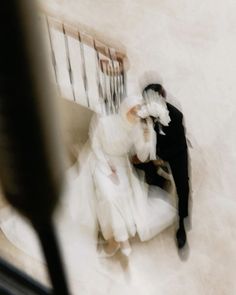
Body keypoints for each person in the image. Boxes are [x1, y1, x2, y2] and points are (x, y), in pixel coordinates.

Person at [88, 95, 176, 257]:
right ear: (125, 110)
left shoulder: (136, 129)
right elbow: (96, 145)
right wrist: (108, 169)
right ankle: (118, 239)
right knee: (108, 195)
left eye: (137, 111)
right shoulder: (105, 122)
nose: (135, 115)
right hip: (103, 161)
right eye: (132, 110)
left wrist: (147, 138)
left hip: (122, 164)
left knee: (123, 194)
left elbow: (143, 156)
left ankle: (119, 239)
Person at [133, 83, 190, 249]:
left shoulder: (176, 116)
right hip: (156, 149)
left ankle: (182, 225)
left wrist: (158, 158)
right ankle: (158, 179)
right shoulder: (145, 113)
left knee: (183, 187)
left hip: (176, 152)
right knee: (135, 162)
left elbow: (178, 145)